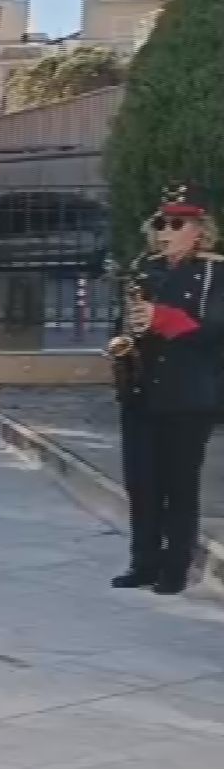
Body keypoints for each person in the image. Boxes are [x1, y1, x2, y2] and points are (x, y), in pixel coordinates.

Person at [111, 183, 224, 596]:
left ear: (199, 230)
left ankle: (175, 568)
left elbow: (215, 328)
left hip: (188, 394)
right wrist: (124, 339)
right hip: (142, 391)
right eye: (161, 223)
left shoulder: (215, 273)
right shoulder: (146, 270)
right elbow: (127, 323)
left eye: (177, 224)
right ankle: (143, 563)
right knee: (142, 484)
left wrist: (164, 319)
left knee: (178, 485)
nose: (165, 231)